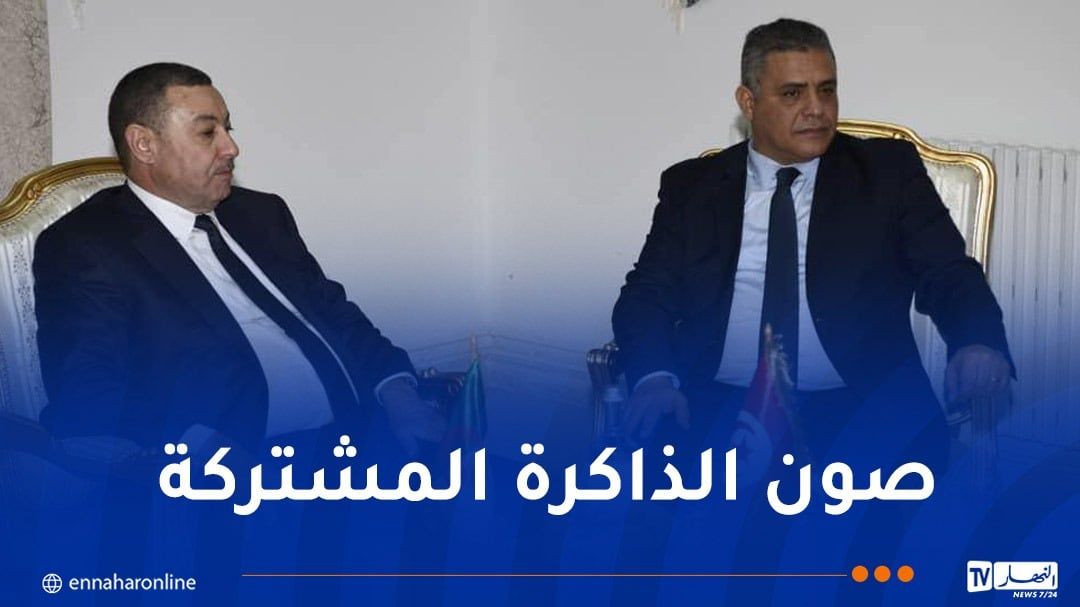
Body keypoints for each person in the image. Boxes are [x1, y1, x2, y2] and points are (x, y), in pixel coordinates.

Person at [612, 18, 1013, 465]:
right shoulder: (693, 185)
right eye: (792, 94)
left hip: (856, 406)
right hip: (717, 405)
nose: (816, 109)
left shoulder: (886, 173)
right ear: (748, 102)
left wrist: (977, 340)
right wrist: (654, 378)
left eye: (827, 90)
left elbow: (948, 272)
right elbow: (647, 294)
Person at [33, 62, 444, 458]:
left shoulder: (260, 214)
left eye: (227, 129)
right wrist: (197, 447)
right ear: (144, 144)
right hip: (241, 469)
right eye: (207, 132)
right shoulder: (86, 246)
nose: (231, 148)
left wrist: (398, 392)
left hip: (366, 434)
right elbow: (86, 395)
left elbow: (337, 316)